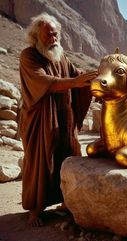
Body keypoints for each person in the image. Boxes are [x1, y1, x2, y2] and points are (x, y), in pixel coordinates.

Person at [19, 13, 98, 226]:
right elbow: (46, 82)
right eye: (48, 35)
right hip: (41, 119)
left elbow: (76, 74)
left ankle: (66, 201)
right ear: (36, 36)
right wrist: (75, 81)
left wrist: (96, 77)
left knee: (67, 154)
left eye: (56, 34)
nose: (53, 38)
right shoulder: (29, 56)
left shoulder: (60, 56)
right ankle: (35, 209)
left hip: (65, 117)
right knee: (41, 162)